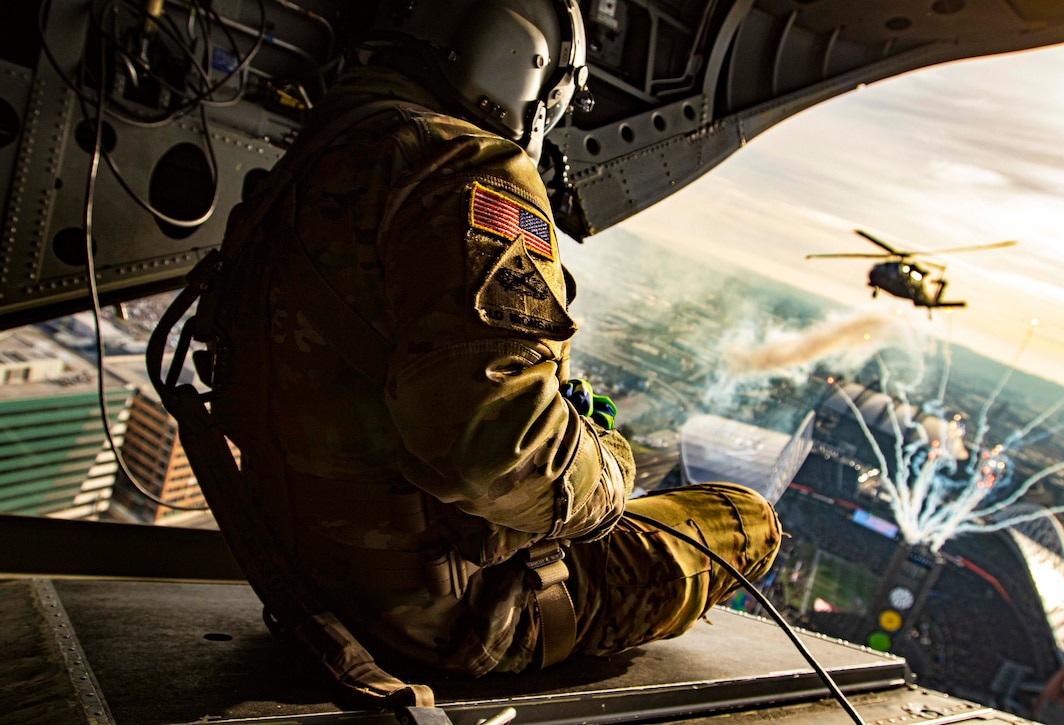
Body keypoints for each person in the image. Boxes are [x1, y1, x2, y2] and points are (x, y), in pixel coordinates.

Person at [193, 0, 781, 679]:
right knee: (744, 518)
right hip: (446, 614)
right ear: (522, 64)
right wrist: (611, 465)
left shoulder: (315, 161)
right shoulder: (466, 166)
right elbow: (502, 452)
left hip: (305, 579)